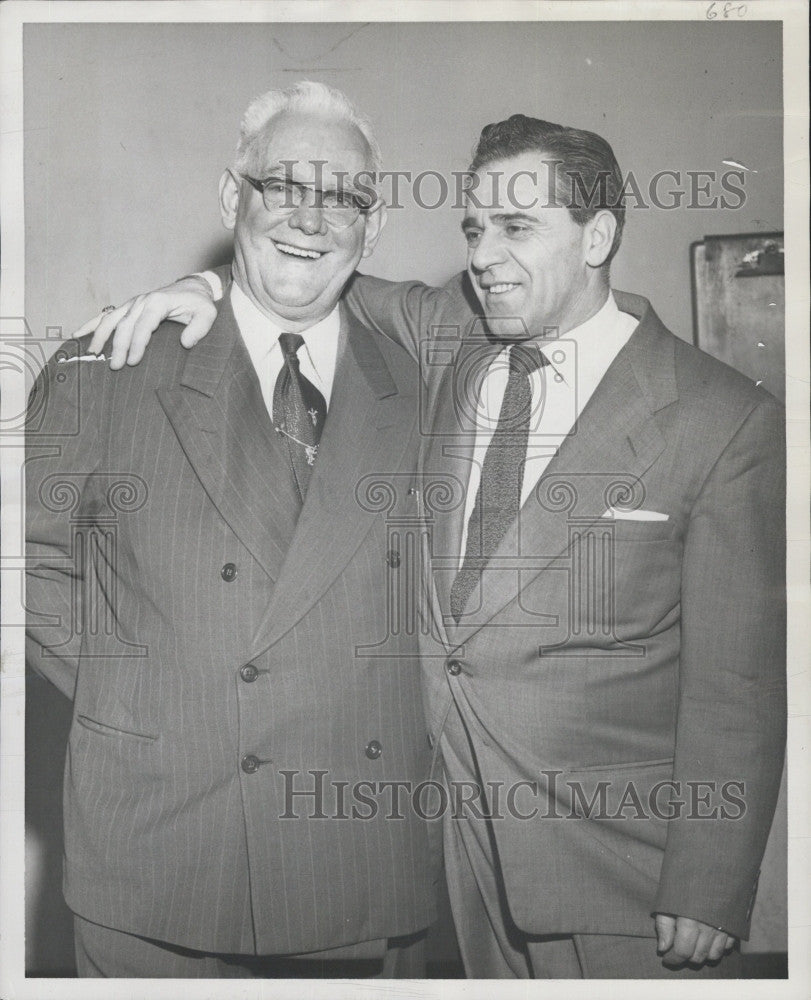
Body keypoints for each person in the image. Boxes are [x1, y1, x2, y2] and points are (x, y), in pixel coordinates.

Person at [75, 114, 786, 979]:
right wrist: (203, 287)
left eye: (517, 228)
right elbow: (302, 266)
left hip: (618, 873)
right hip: (446, 864)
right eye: (473, 228)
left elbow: (735, 683)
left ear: (597, 234)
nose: (484, 255)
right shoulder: (454, 337)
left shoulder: (718, 416)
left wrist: (708, 883)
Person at [25, 81, 439, 978]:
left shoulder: (427, 386)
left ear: (375, 225)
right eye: (281, 185)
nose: (309, 218)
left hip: (356, 855)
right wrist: (138, 691)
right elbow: (27, 560)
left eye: (342, 197)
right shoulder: (109, 363)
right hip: (161, 848)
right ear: (230, 197)